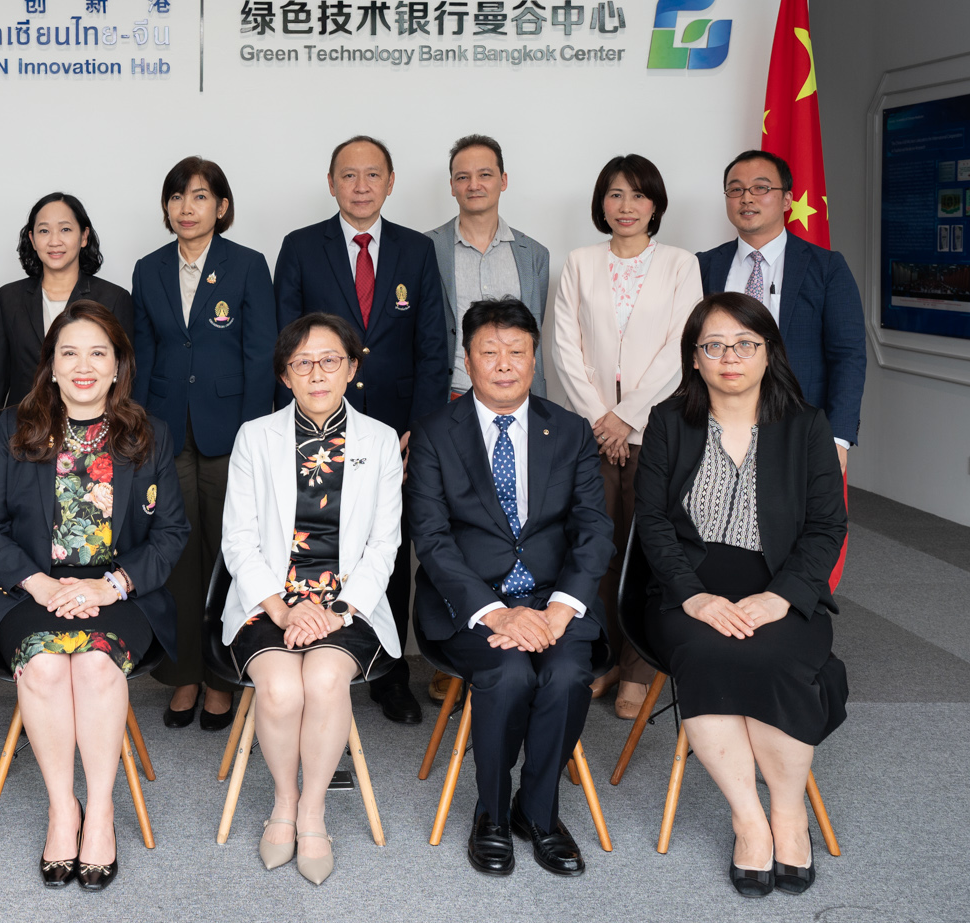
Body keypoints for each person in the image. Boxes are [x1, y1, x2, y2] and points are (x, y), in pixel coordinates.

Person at [634, 292, 849, 898]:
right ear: (695, 358)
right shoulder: (668, 422)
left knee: (776, 657)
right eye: (714, 345)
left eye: (745, 343)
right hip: (688, 591)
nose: (731, 356)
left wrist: (783, 597)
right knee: (706, 654)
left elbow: (827, 527)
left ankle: (787, 813)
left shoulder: (807, 426)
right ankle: (747, 819)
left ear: (768, 352)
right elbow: (651, 522)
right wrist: (693, 598)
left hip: (780, 588)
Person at [0, 300, 188, 890]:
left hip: (121, 590)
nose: (84, 365)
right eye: (70, 353)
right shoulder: (17, 431)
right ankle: (63, 809)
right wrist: (41, 584)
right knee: (43, 667)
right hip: (31, 589)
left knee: (93, 665)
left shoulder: (149, 434)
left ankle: (103, 810)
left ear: (118, 365)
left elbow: (172, 534)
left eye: (98, 353)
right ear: (52, 366)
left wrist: (110, 584)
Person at [407, 297, 610, 879]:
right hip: (469, 605)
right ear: (466, 360)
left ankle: (538, 812)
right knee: (509, 672)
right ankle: (492, 813)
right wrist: (496, 614)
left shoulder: (567, 430)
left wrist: (561, 609)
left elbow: (594, 528)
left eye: (517, 352)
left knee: (569, 673)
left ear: (534, 358)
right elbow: (433, 538)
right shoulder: (435, 434)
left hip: (554, 602)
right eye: (489, 352)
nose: (503, 364)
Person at [221, 313, 404, 884]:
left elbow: (384, 544)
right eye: (302, 363)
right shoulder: (256, 436)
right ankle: (282, 800)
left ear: (352, 367)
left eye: (330, 360)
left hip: (347, 603)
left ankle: (314, 811)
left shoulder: (378, 440)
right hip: (269, 600)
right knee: (279, 687)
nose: (317, 373)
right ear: (285, 375)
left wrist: (336, 610)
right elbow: (239, 539)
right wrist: (280, 607)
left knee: (323, 681)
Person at [272, 135, 446, 725]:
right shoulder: (300, 247)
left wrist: (416, 428)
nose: (362, 185)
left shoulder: (416, 250)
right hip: (317, 420)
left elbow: (431, 345)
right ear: (332, 183)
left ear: (391, 182)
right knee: (312, 537)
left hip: (391, 432)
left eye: (373, 175)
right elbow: (287, 344)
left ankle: (388, 671)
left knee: (386, 548)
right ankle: (304, 645)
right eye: (350, 175)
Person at [548, 155, 703, 721]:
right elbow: (566, 347)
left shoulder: (681, 265)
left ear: (655, 204)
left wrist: (627, 417)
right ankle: (603, 657)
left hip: (656, 430)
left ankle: (640, 667)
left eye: (638, 196)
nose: (626, 207)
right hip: (590, 433)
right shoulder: (580, 263)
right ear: (601, 203)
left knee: (649, 550)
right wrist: (600, 418)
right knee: (594, 549)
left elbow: (680, 349)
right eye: (615, 195)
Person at [129, 156, 276, 730]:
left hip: (229, 435)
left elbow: (260, 356)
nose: (186, 209)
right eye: (176, 197)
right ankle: (184, 675)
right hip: (166, 432)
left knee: (228, 556)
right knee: (176, 556)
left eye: (198, 197)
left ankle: (222, 678)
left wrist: (250, 436)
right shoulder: (149, 268)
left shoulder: (247, 266)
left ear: (222, 206)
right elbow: (141, 355)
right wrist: (139, 428)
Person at [699, 149, 866, 481]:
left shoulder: (826, 268)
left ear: (787, 199)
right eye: (736, 189)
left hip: (799, 424)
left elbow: (847, 355)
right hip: (714, 425)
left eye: (761, 188)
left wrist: (838, 437)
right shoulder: (704, 265)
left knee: (794, 527)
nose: (747, 198)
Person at [0, 192, 133, 479]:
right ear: (32, 240)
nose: (54, 240)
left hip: (94, 439)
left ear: (84, 237)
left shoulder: (113, 298)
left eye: (66, 229)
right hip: (22, 436)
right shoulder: (8, 298)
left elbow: (125, 379)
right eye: (44, 231)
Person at [426, 135, 553, 402]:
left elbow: (532, 335)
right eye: (462, 177)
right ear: (451, 186)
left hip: (517, 400)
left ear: (503, 181)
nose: (474, 185)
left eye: (484, 174)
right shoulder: (425, 248)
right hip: (449, 397)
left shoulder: (534, 255)